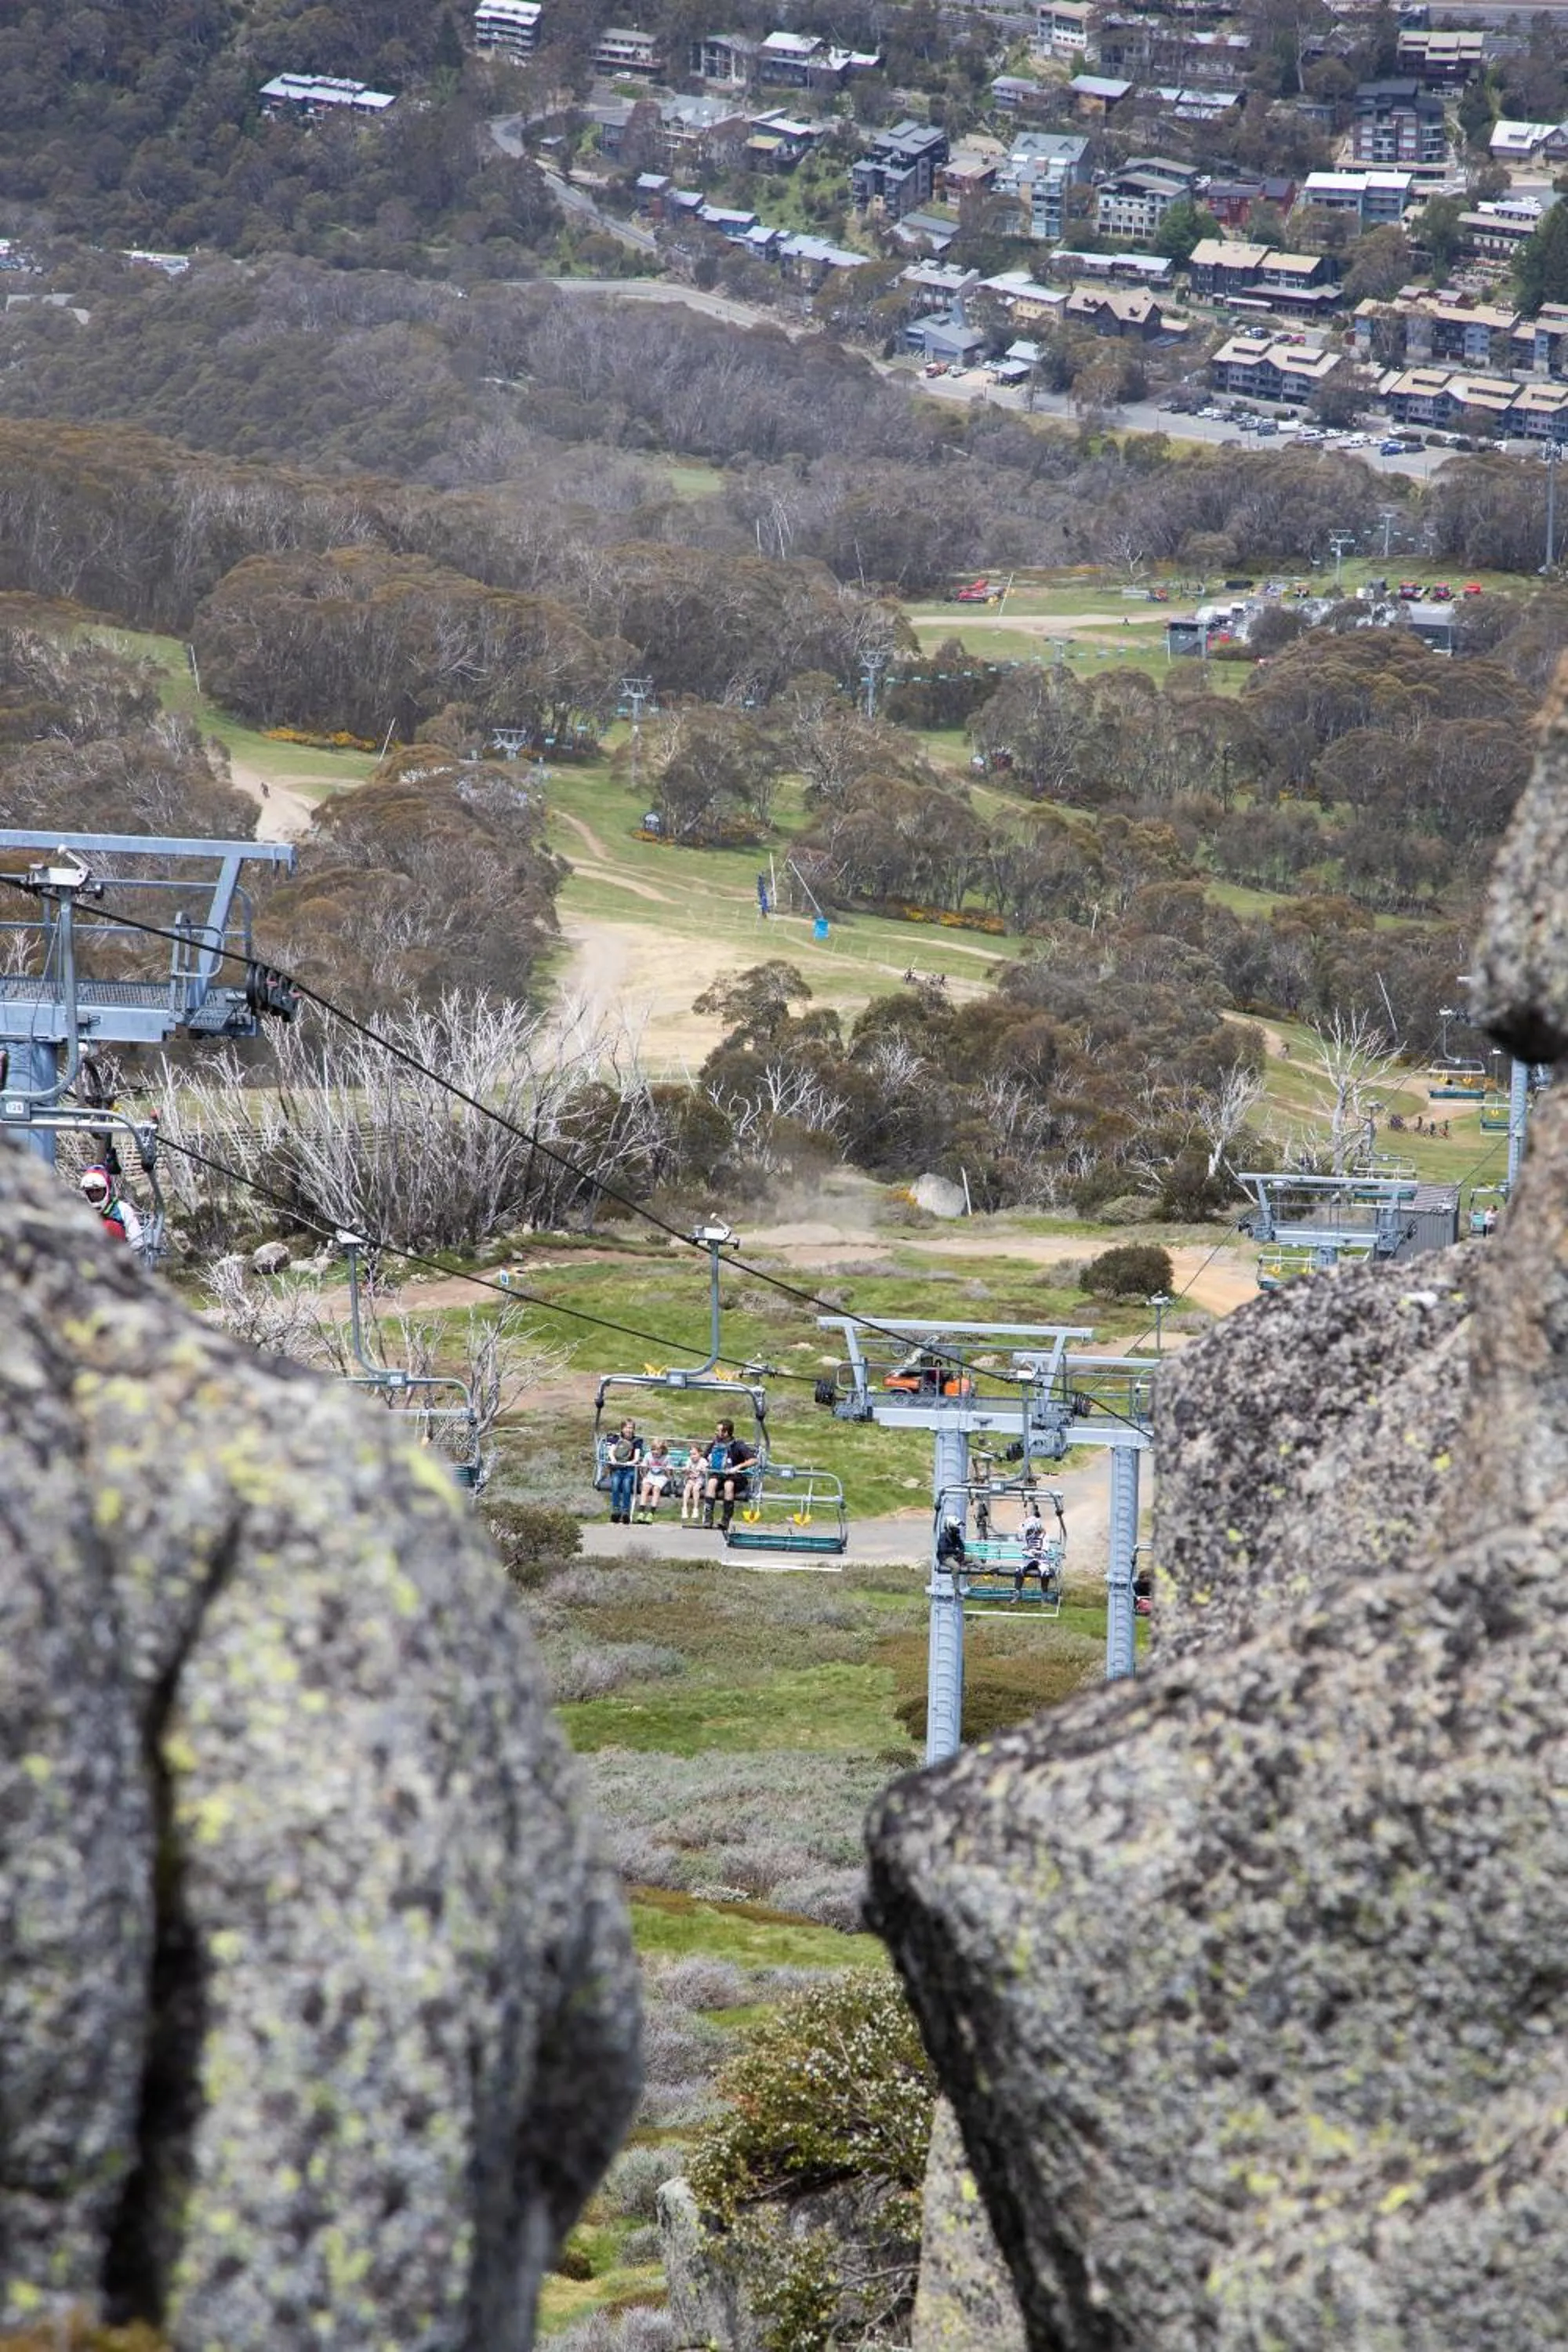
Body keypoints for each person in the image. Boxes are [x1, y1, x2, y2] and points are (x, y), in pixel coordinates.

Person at [704, 1418, 757, 1534]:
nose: (716, 1433)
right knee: (711, 1483)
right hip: (719, 1474)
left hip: (735, 1477)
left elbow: (753, 1460)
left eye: (719, 1431)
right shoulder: (715, 1444)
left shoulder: (738, 1445)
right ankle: (708, 1517)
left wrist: (738, 1467)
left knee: (729, 1485)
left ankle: (725, 1519)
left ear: (726, 1433)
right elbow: (704, 1458)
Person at [78, 1163, 143, 1248]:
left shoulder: (123, 1209)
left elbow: (137, 1243)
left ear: (106, 1189)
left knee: (110, 1227)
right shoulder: (81, 1211)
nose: (95, 1194)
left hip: (118, 1257)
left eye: (98, 1190)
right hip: (88, 1256)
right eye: (91, 1191)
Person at [606, 1417, 642, 1524]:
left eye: (631, 1428)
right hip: (618, 1468)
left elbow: (636, 1457)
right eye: (627, 1428)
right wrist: (613, 1460)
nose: (629, 1430)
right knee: (616, 1483)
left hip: (630, 1469)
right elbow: (611, 1452)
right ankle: (616, 1510)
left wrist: (629, 1463)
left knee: (626, 1484)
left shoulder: (637, 1441)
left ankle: (626, 1511)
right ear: (622, 1429)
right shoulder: (616, 1439)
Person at [637, 1438, 673, 1524]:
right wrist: (644, 1475)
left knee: (656, 1489)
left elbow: (670, 1472)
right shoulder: (648, 1455)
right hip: (651, 1475)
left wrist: (667, 1471)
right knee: (645, 1487)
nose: (655, 1452)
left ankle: (651, 1513)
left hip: (661, 1476)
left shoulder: (667, 1458)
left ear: (662, 1450)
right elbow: (644, 1467)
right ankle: (641, 1512)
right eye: (653, 1450)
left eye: (657, 1450)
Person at [680, 1446, 707, 1524]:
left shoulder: (703, 1461)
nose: (692, 1456)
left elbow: (706, 1472)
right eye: (691, 1454)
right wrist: (685, 1470)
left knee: (695, 1489)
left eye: (694, 1454)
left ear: (700, 1454)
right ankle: (684, 1508)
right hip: (691, 1479)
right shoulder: (689, 1461)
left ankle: (695, 1509)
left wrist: (702, 1470)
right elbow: (686, 1469)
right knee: (688, 1487)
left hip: (700, 1479)